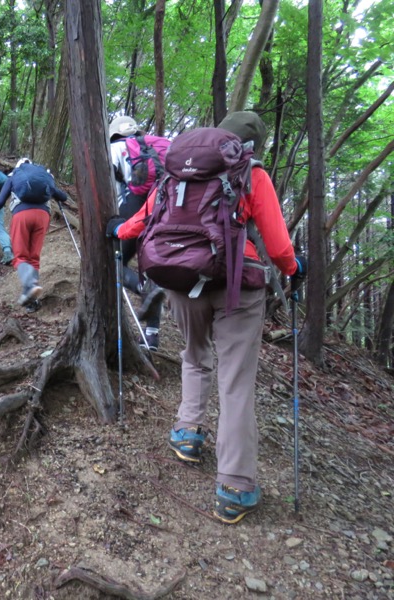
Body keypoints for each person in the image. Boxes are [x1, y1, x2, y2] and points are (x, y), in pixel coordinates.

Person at [111, 111, 307, 524]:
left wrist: (116, 229)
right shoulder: (250, 174)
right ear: (249, 147)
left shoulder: (175, 176)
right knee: (234, 381)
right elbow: (277, 245)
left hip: (181, 280)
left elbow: (140, 222)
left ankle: (187, 434)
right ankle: (234, 486)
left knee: (194, 355)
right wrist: (294, 270)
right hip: (237, 287)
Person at [109, 116, 170, 351]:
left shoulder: (115, 148)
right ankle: (151, 337)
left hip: (136, 209)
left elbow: (114, 193)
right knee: (150, 266)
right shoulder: (159, 145)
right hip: (168, 209)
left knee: (113, 262)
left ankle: (144, 288)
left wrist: (115, 223)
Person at [0, 158, 67, 313]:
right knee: (34, 257)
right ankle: (31, 301)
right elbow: (63, 197)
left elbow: (1, 199)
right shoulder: (43, 176)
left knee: (21, 256)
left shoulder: (15, 174)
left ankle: (30, 286)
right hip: (43, 216)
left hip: (22, 215)